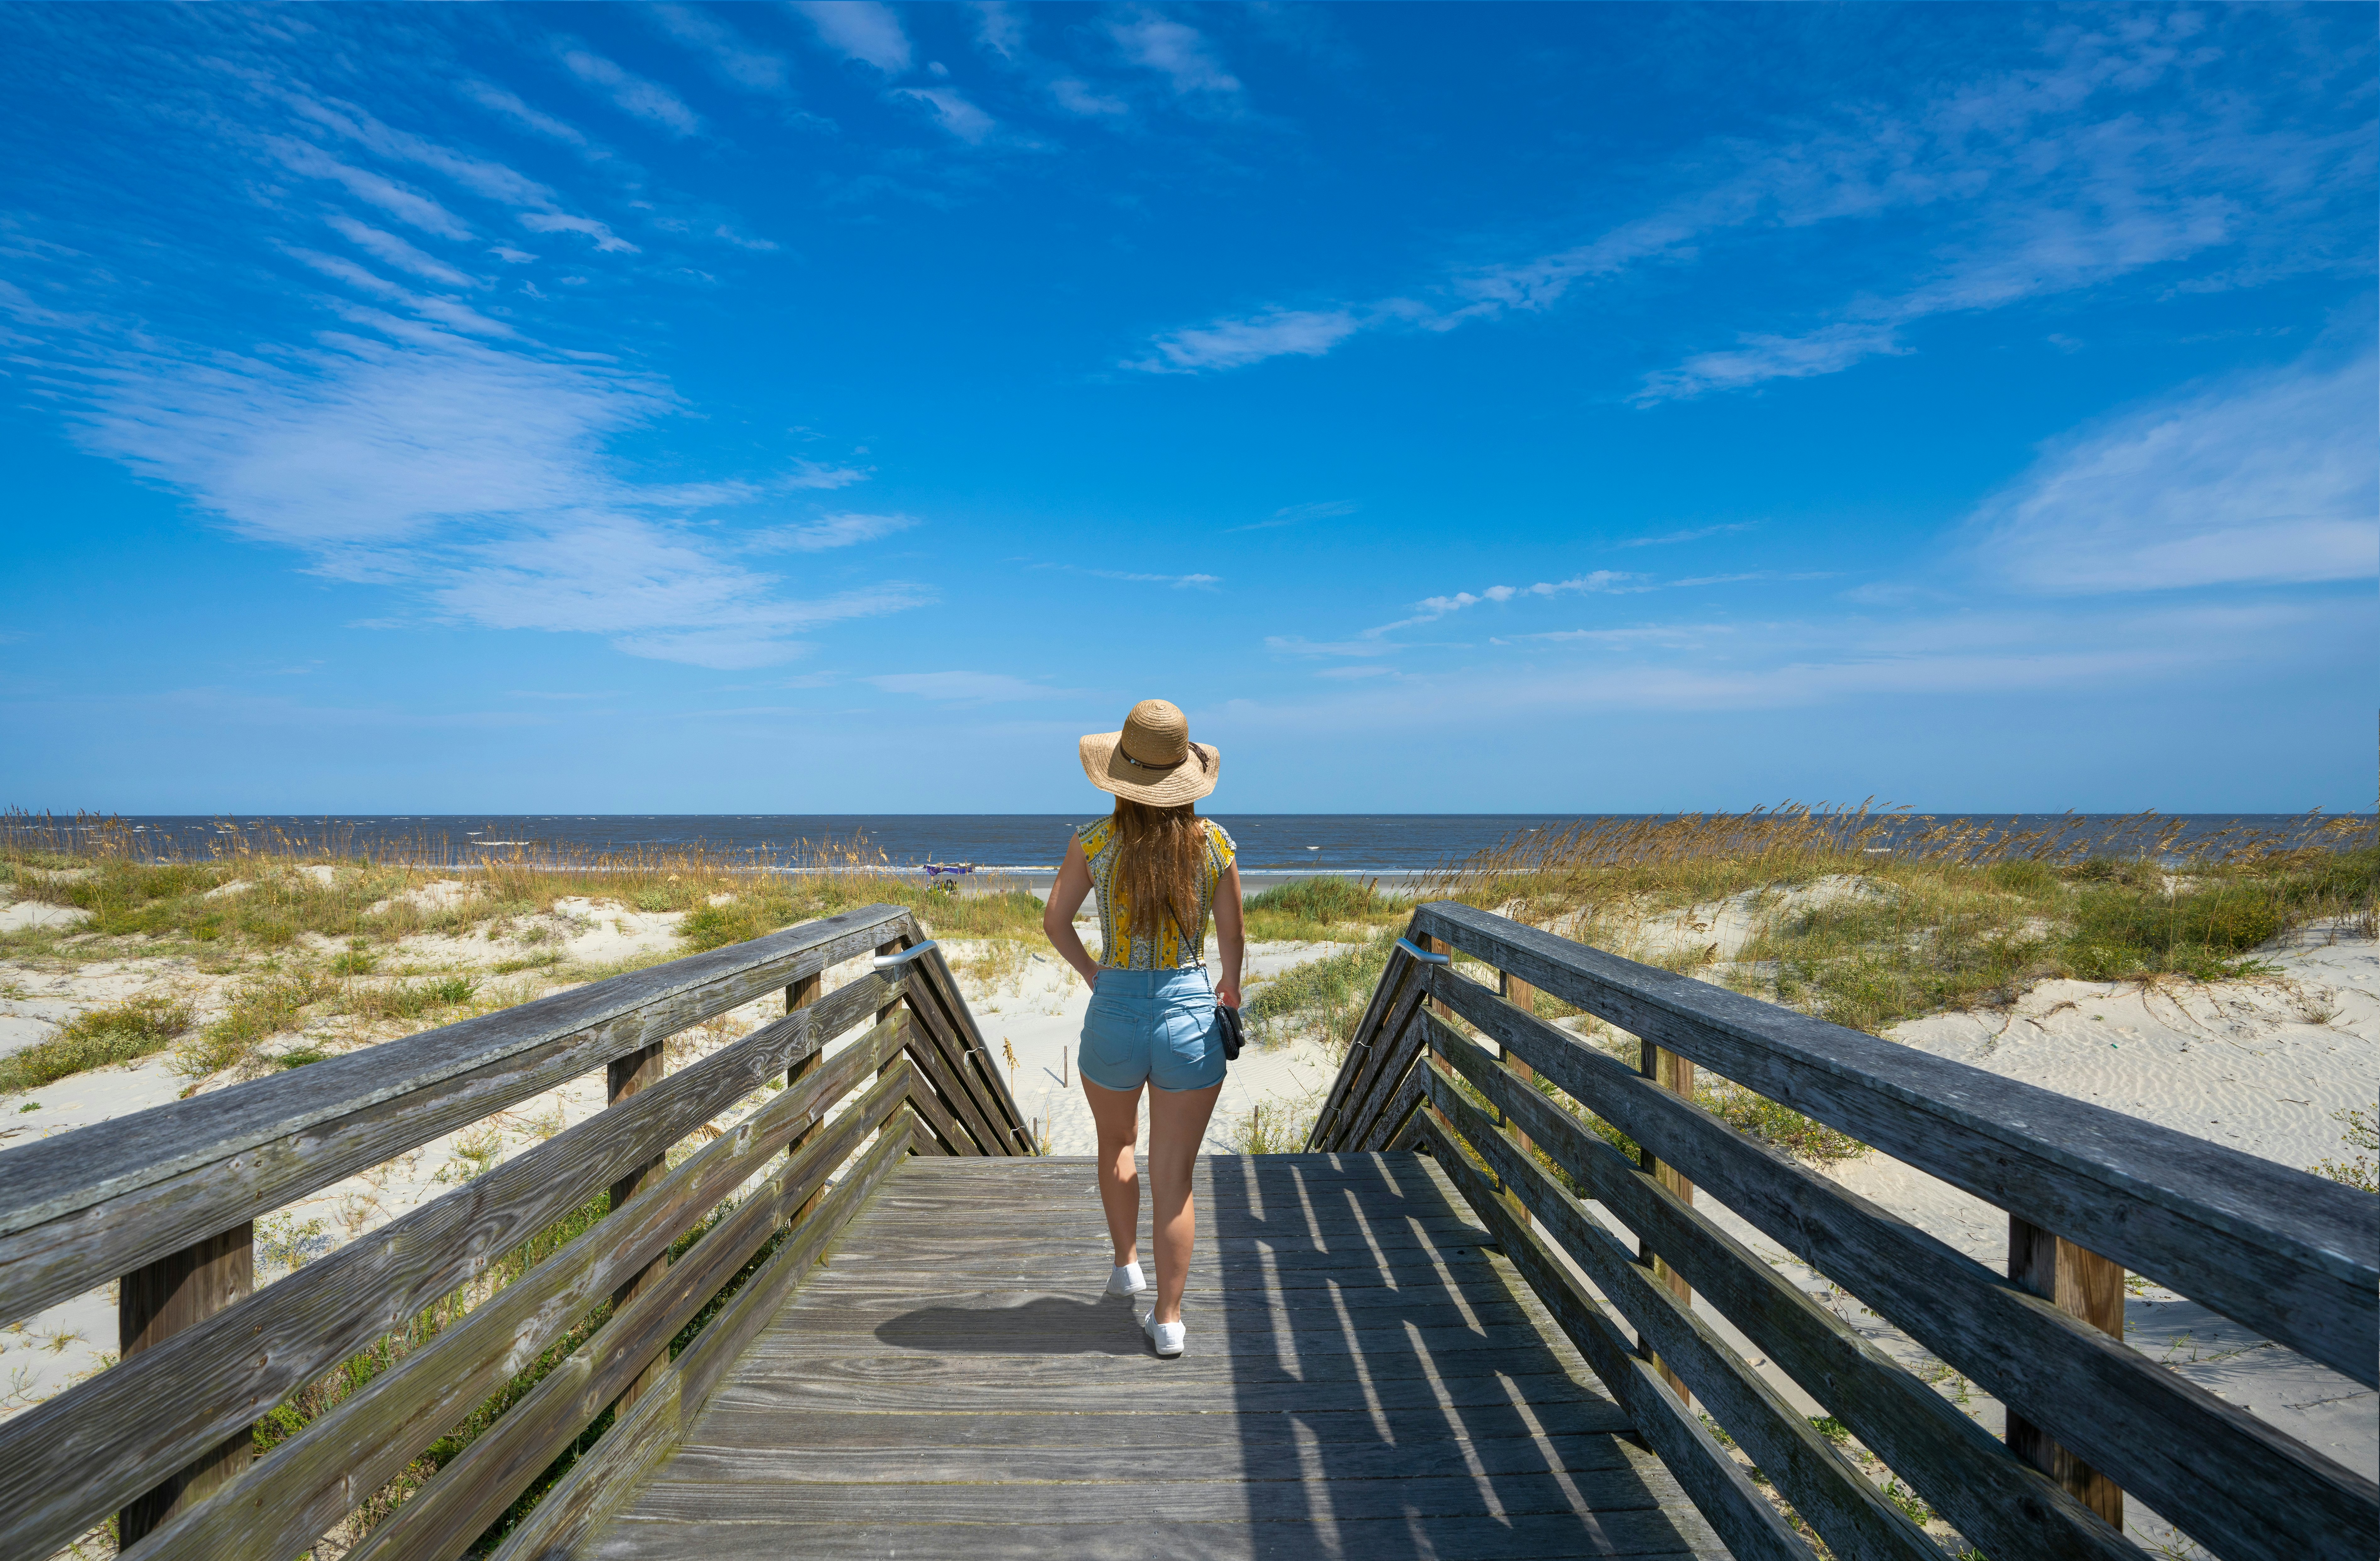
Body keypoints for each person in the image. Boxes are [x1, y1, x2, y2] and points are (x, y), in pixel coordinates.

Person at [1041, 698, 1243, 1359]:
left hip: (1116, 1010)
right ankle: (1170, 1318)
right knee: (1176, 1174)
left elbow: (1056, 922)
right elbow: (1235, 940)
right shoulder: (1213, 842)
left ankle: (1126, 1261)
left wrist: (1098, 975)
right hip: (1189, 1011)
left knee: (1117, 1146)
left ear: (1121, 773)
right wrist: (1228, 987)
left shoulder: (1093, 842)